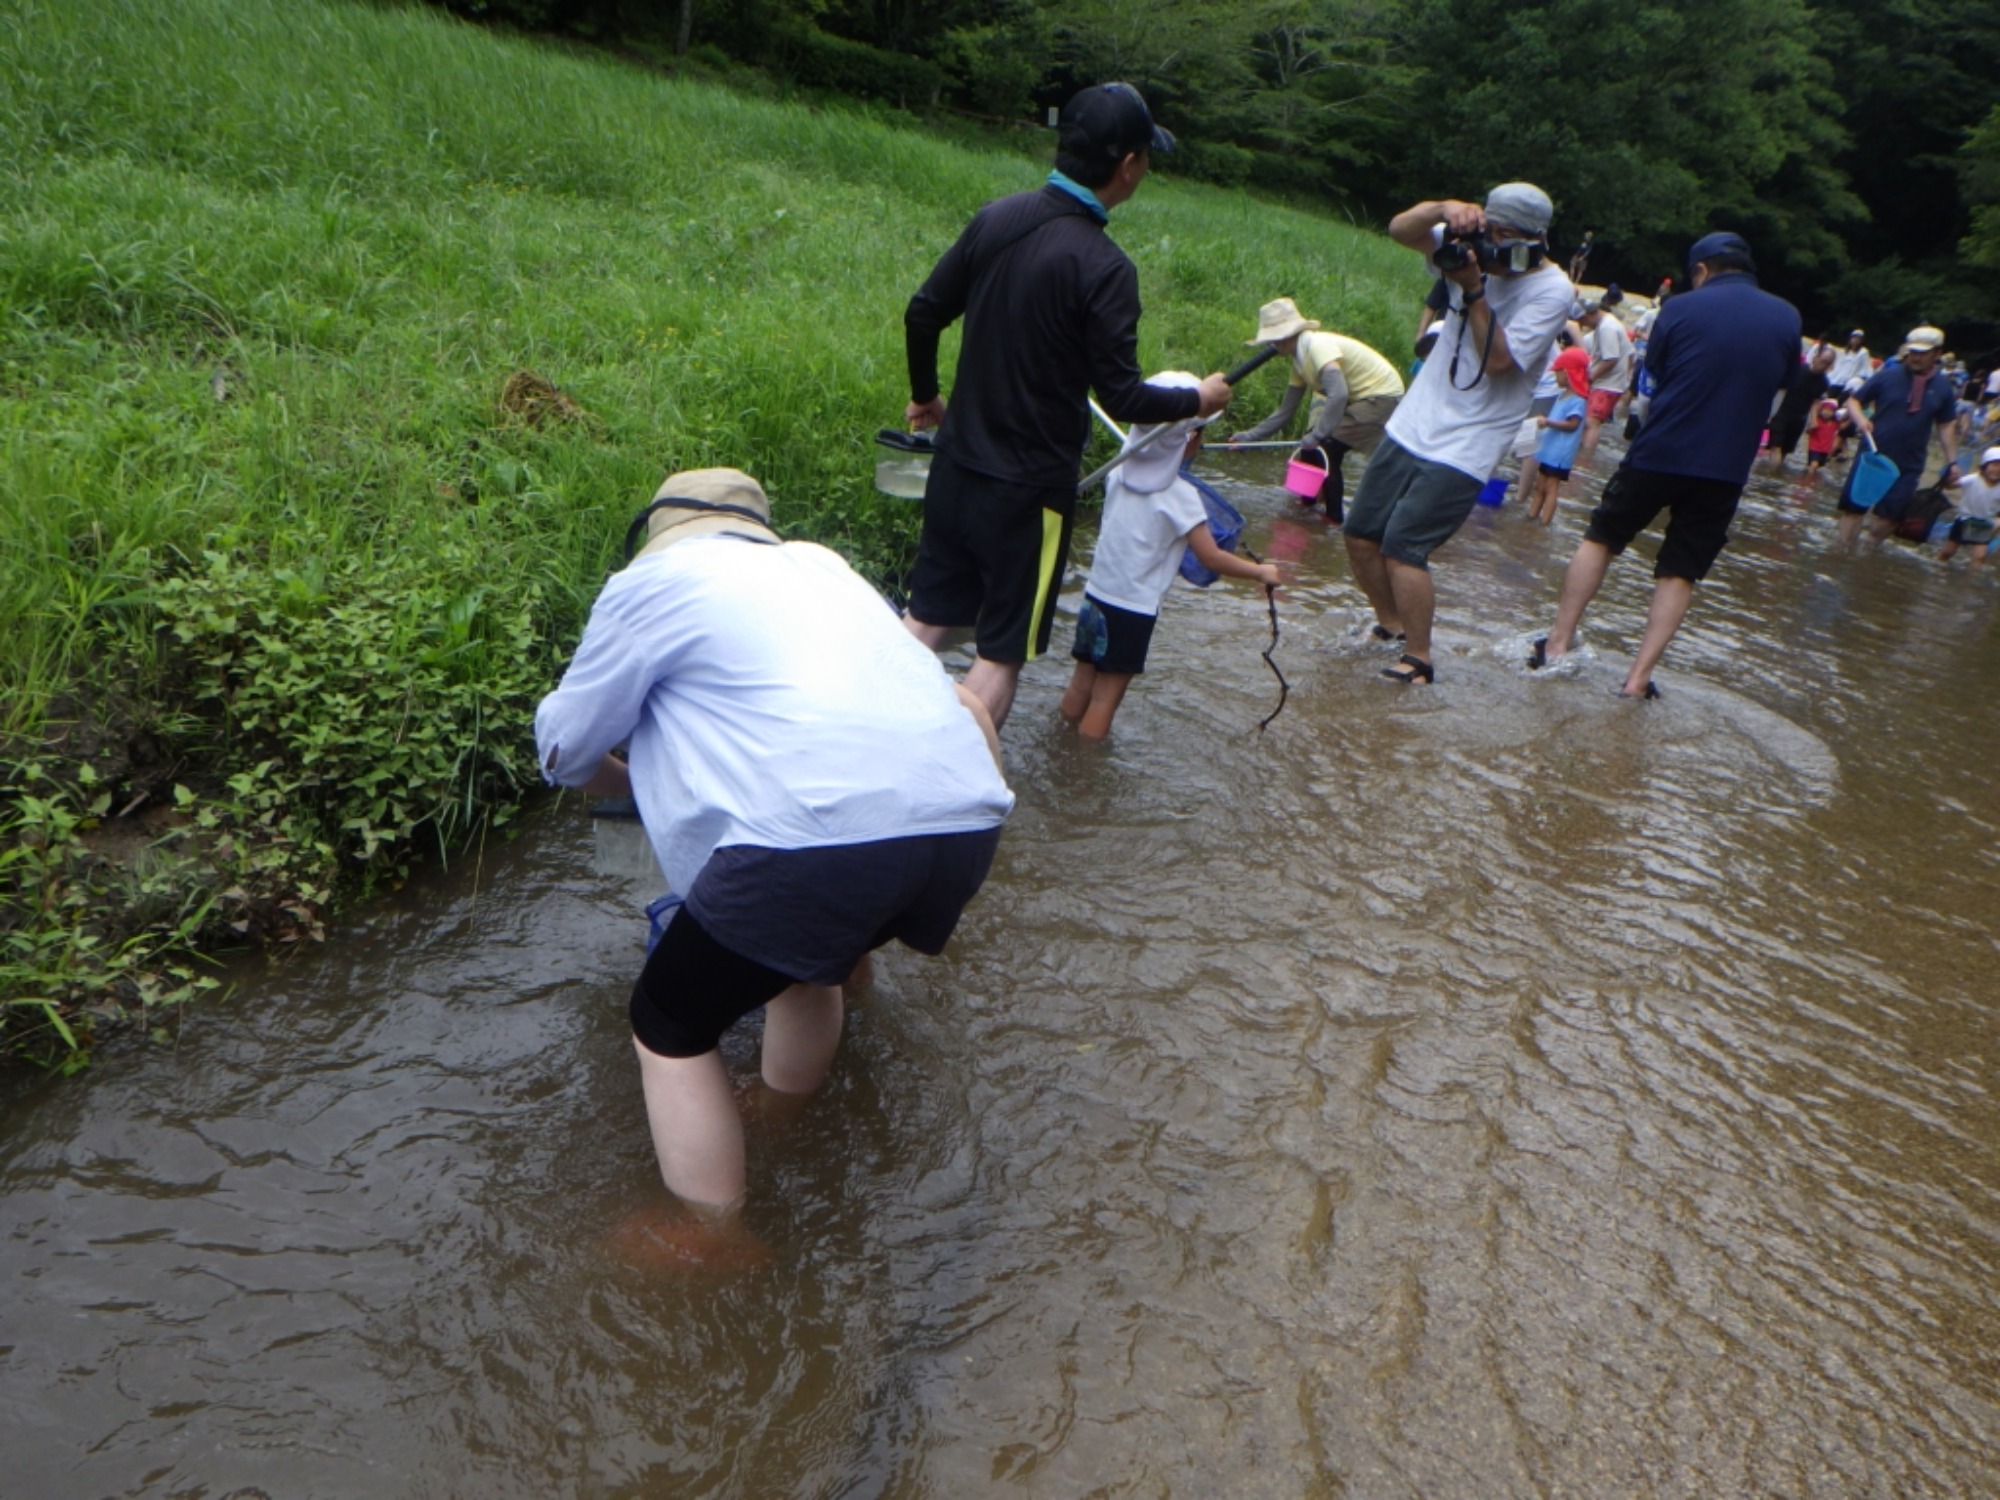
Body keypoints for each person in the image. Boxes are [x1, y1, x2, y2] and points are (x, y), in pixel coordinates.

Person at [534, 469, 1014, 1266]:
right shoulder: (823, 567)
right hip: (961, 819)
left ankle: (710, 1229)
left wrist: (630, 787)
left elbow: (563, 745)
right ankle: (787, 1115)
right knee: (805, 967)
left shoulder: (652, 579)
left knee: (669, 1027)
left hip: (813, 841)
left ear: (661, 532)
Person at [902, 82, 1232, 732]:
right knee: (1001, 652)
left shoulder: (997, 217)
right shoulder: (1106, 267)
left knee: (923, 619)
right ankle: (953, 792)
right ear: (1129, 165)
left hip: (955, 468)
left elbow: (923, 313)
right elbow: (1124, 397)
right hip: (1028, 496)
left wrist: (925, 395)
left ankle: (855, 739)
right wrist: (1200, 399)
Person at [1529, 232, 1800, 698]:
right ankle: (1637, 679)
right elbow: (1780, 385)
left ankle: (1556, 645)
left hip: (1662, 450)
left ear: (1701, 271)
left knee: (1602, 538)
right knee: (1680, 570)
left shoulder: (1679, 309)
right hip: (1727, 467)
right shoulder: (1788, 317)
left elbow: (1656, 380)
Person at [1343, 182, 1573, 683]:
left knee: (1404, 546)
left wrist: (1472, 288)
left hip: (1470, 440)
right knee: (1361, 533)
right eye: (1489, 232)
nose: (1491, 248)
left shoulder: (1553, 290)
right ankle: (1389, 624)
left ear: (1534, 242)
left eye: (1503, 238)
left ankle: (1419, 659)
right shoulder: (1466, 244)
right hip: (1414, 421)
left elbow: (1496, 363)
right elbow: (1401, 228)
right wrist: (1444, 209)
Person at [1063, 374, 1282, 736]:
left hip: (1096, 596)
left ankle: (1061, 744)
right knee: (1105, 699)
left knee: (1081, 683)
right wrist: (1260, 573)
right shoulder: (1180, 497)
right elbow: (1210, 558)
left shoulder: (1117, 470)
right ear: (1190, 439)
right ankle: (1086, 773)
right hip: (1132, 610)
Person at [1228, 298, 1405, 524]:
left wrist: (1317, 436)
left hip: (1380, 397)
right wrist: (1248, 438)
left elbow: (1338, 394)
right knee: (1311, 445)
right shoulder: (1299, 363)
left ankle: (1333, 519)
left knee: (1326, 447)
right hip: (1358, 399)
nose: (1269, 347)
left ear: (1282, 337)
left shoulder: (1317, 346)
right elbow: (1285, 412)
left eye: (1270, 341)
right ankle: (1308, 504)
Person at [1841, 326, 1961, 547]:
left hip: (1909, 463)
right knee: (1854, 509)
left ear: (1937, 353)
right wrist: (1860, 420)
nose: (1916, 357)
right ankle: (1842, 555)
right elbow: (1854, 400)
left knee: (1889, 518)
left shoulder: (1943, 388)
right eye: (1913, 351)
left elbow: (1946, 425)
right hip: (1873, 454)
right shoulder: (1888, 375)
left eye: (1923, 353)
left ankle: (1867, 553)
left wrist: (1952, 462)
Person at [1528, 347, 1591, 525]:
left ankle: (1544, 523)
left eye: (1556, 373)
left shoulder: (1577, 400)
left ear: (1566, 373)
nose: (1555, 377)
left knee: (1550, 487)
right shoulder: (1562, 395)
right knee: (1539, 485)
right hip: (1549, 450)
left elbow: (1573, 424)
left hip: (1560, 453)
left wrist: (1548, 422)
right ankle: (1532, 517)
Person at [1576, 299, 1635, 466]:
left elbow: (1611, 359)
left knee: (1590, 422)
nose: (1584, 325)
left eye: (1583, 320)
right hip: (1612, 383)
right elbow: (1630, 353)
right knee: (1590, 422)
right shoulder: (1609, 322)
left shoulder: (1606, 328)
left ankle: (1583, 461)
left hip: (1608, 384)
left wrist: (1590, 377)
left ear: (1590, 314)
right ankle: (1584, 457)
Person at [1764, 345, 1837, 467]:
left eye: (1827, 364)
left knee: (1785, 451)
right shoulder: (1797, 370)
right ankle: (1771, 477)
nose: (1823, 365)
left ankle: (1774, 477)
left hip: (1799, 418)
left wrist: (1813, 420)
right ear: (1816, 357)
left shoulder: (1824, 382)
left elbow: (1815, 401)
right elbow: (1780, 388)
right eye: (1822, 361)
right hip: (1782, 413)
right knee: (1775, 447)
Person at [1936, 446, 2000, 565]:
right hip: (1964, 519)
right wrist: (1948, 480)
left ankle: (1973, 576)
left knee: (1980, 556)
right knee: (1948, 552)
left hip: (1983, 523)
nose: (1997, 470)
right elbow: (1952, 486)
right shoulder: (1973, 479)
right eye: (1994, 465)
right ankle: (1937, 562)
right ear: (1984, 466)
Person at [1805, 398, 1842, 476]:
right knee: (1813, 464)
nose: (1826, 412)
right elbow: (1808, 432)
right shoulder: (1816, 420)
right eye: (1825, 410)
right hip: (1814, 448)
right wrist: (1812, 427)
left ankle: (1809, 475)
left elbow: (1843, 427)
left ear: (1834, 413)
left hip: (1825, 450)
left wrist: (1851, 419)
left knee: (1818, 466)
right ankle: (1808, 479)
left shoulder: (1835, 424)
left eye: (1830, 411)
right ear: (1821, 410)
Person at [1828, 329, 1873, 393]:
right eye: (1854, 338)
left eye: (1858, 339)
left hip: (1849, 383)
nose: (1855, 340)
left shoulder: (1863, 353)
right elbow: (1837, 366)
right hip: (1836, 380)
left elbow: (1867, 369)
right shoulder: (1844, 352)